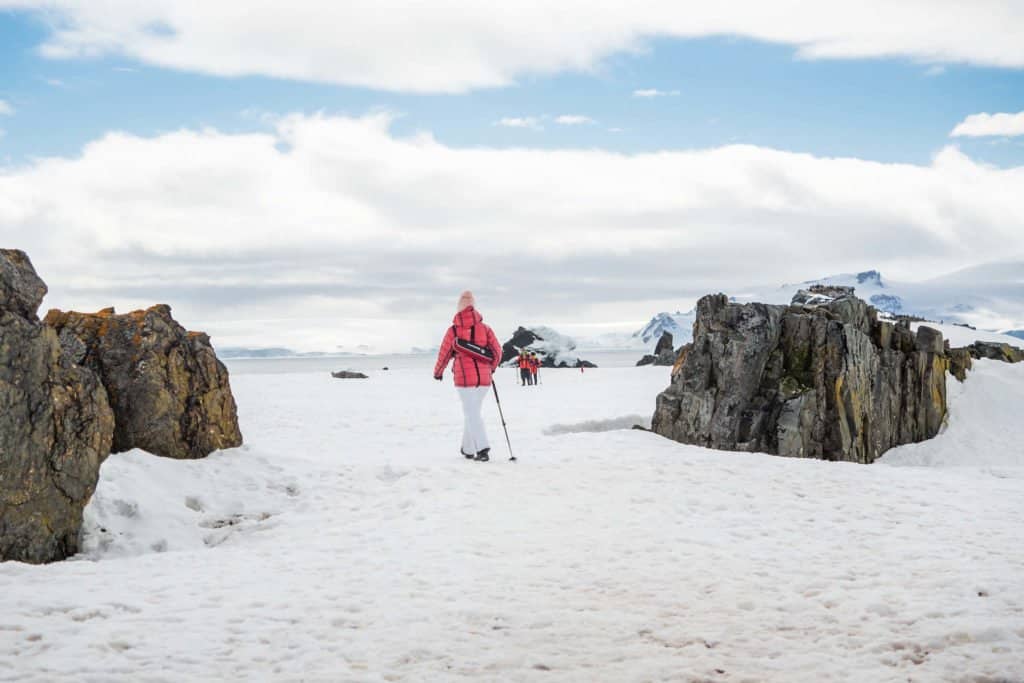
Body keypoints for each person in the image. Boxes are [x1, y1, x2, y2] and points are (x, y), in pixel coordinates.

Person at [433, 291, 503, 462]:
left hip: (464, 379)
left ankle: (483, 449)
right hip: (484, 380)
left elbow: (444, 353)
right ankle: (468, 448)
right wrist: (491, 368)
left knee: (472, 412)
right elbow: (497, 352)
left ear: (459, 308)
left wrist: (438, 372)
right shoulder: (486, 329)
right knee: (473, 412)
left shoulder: (454, 330)